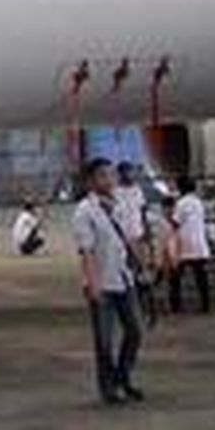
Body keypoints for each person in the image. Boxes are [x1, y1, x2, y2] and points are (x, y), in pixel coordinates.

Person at [72, 157, 144, 405]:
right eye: (103, 175)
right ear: (91, 181)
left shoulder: (120, 203)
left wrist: (141, 263)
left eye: (111, 175)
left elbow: (130, 236)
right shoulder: (84, 211)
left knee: (135, 332)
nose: (110, 179)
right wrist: (93, 285)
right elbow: (87, 251)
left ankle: (122, 377)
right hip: (102, 281)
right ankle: (108, 389)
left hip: (124, 278)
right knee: (104, 341)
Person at [170, 176, 211, 314]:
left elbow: (175, 222)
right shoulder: (198, 202)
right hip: (199, 242)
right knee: (200, 276)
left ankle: (176, 305)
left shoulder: (181, 203)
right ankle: (206, 304)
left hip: (185, 244)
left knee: (176, 276)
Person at [113, 162, 148, 252]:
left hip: (137, 232)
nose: (130, 175)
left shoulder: (137, 190)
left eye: (131, 172)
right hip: (122, 234)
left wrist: (146, 229)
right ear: (120, 174)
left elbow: (142, 210)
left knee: (140, 260)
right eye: (127, 172)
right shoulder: (115, 192)